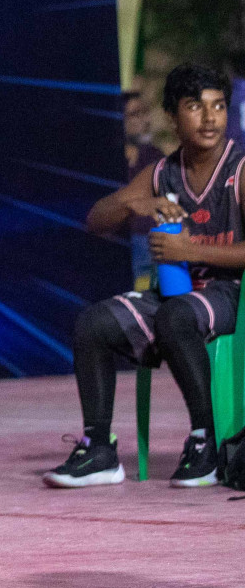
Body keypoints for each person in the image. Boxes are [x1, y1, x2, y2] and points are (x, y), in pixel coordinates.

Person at [45, 63, 244, 489]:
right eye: (196, 107)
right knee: (93, 324)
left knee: (177, 317)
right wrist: (131, 205)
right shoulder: (161, 173)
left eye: (219, 106)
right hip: (177, 296)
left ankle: (205, 442)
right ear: (173, 115)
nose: (210, 118)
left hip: (232, 295)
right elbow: (96, 220)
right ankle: (99, 448)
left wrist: (191, 250)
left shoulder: (240, 169)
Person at [124, 91, 166, 285]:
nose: (142, 119)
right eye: (134, 114)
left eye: (143, 112)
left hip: (147, 242)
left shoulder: (154, 155)